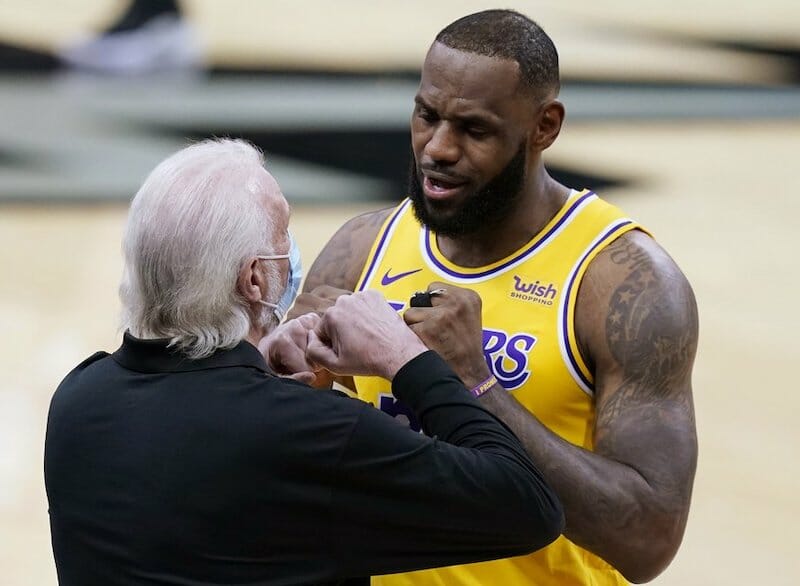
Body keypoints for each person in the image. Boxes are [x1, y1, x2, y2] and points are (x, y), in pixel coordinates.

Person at [290, 9, 698, 586]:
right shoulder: (360, 249)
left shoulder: (621, 282)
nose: (438, 148)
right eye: (426, 115)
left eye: (474, 129)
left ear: (544, 127)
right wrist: (281, 381)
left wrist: (471, 382)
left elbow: (647, 540)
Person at [43, 139, 564, 585]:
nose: (292, 248)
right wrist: (408, 358)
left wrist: (254, 367)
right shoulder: (314, 435)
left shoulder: (78, 400)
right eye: (283, 233)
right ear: (253, 279)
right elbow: (527, 508)